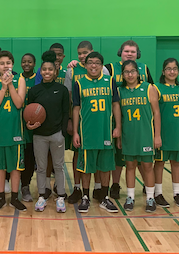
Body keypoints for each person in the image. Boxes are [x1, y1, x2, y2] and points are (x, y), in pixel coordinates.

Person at [72, 52, 121, 214]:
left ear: (102, 66)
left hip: (106, 131)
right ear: (85, 65)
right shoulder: (79, 84)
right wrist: (75, 132)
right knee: (86, 167)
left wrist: (118, 126)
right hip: (87, 132)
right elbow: (76, 108)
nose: (94, 65)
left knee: (106, 167)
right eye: (90, 62)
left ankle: (104, 197)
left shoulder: (110, 81)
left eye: (97, 63)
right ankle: (85, 196)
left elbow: (115, 105)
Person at [64, 41, 110, 204]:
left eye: (85, 53)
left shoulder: (103, 70)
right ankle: (77, 188)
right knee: (78, 154)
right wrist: (70, 120)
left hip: (99, 122)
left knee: (99, 155)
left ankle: (98, 188)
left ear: (92, 52)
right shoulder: (72, 70)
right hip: (81, 122)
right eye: (80, 53)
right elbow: (69, 98)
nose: (82, 56)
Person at [107, 40, 153, 199]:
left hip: (139, 120)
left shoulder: (144, 68)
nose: (129, 54)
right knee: (119, 157)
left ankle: (148, 186)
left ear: (137, 54)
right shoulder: (110, 68)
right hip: (117, 119)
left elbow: (153, 89)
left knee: (139, 158)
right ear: (121, 52)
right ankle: (115, 184)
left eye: (133, 52)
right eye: (127, 51)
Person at [28, 51, 70, 213]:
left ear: (55, 72)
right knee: (41, 167)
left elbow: (66, 112)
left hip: (56, 134)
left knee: (59, 166)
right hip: (39, 135)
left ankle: (60, 196)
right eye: (44, 69)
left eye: (50, 70)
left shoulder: (62, 90)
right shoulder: (34, 91)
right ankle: (42, 195)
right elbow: (28, 112)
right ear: (41, 71)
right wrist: (30, 126)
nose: (47, 72)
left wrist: (63, 131)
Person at [118, 60, 162, 213]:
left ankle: (150, 198)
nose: (130, 74)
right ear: (122, 74)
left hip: (146, 134)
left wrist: (157, 135)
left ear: (138, 73)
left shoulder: (148, 88)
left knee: (147, 166)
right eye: (126, 72)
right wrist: (119, 138)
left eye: (132, 71)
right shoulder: (120, 91)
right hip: (128, 134)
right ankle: (130, 197)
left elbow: (156, 112)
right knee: (130, 166)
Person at [0, 51, 27, 212]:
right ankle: (1, 198)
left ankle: (15, 198)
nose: (5, 66)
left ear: (13, 64)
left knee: (15, 167)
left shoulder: (20, 80)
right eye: (2, 63)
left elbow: (19, 104)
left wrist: (10, 85)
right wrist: (3, 88)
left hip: (15, 131)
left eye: (8, 63)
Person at [153, 58, 179, 208]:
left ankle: (176, 193)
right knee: (160, 163)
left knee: (176, 163)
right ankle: (158, 193)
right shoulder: (157, 88)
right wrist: (156, 135)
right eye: (168, 69)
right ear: (163, 71)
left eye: (175, 68)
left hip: (178, 132)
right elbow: (155, 112)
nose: (172, 71)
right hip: (163, 132)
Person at [20, 53, 37, 202]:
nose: (27, 64)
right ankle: (12, 183)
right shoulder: (15, 79)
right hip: (16, 123)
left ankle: (25, 185)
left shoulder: (37, 79)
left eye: (29, 62)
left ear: (34, 64)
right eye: (24, 62)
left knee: (29, 157)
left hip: (32, 124)